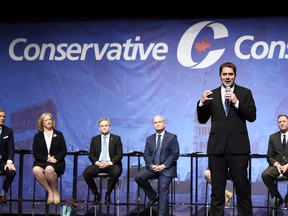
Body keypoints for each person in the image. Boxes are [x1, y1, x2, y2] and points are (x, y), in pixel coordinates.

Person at [196, 62, 256, 216]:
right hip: (217, 149)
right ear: (220, 76)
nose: (227, 77)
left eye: (230, 74)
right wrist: (201, 103)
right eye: (224, 74)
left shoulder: (245, 93)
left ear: (235, 75)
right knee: (217, 192)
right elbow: (202, 120)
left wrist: (236, 102)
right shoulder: (212, 95)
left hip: (239, 149)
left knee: (242, 190)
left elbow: (252, 116)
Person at [134, 115, 180, 216]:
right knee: (138, 177)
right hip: (153, 168)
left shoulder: (172, 137)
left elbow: (175, 154)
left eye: (159, 122)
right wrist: (151, 165)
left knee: (162, 189)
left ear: (164, 123)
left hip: (166, 169)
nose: (158, 124)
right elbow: (146, 154)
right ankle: (154, 196)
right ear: (153, 125)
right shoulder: (149, 139)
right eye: (155, 123)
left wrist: (163, 166)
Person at [83, 118, 123, 205]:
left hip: (111, 164)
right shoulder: (94, 139)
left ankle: (108, 194)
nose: (104, 127)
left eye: (106, 125)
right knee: (87, 173)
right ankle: (96, 194)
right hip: (99, 164)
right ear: (99, 128)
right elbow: (91, 155)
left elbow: (119, 155)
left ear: (110, 127)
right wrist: (97, 162)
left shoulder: (116, 138)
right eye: (102, 126)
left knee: (116, 172)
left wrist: (108, 163)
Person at [32, 112, 67, 205]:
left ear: (52, 121)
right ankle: (49, 191)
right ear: (42, 123)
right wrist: (47, 159)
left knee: (49, 169)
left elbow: (63, 150)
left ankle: (55, 191)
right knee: (36, 169)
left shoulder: (59, 134)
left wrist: (55, 159)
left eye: (50, 119)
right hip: (42, 161)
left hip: (56, 162)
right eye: (46, 120)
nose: (48, 121)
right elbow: (35, 152)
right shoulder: (37, 136)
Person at [262, 114, 288, 208]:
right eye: (279, 122)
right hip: (277, 166)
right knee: (265, 175)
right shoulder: (273, 137)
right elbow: (269, 156)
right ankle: (277, 197)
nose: (282, 123)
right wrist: (276, 164)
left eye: (284, 121)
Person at [0, 109, 16, 203]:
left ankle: (2, 194)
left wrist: (9, 162)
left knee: (11, 172)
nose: (2, 118)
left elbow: (11, 148)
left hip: (2, 161)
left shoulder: (8, 131)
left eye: (3, 116)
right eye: (0, 116)